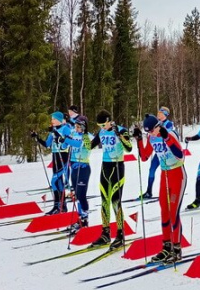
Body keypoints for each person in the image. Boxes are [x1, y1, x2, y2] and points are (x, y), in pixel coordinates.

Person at [133, 114, 187, 263]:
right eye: (147, 132)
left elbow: (180, 155)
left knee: (173, 212)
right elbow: (144, 157)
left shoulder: (170, 134)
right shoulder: (151, 138)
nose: (150, 134)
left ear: (158, 126)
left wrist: (167, 139)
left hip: (177, 175)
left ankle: (177, 249)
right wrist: (139, 140)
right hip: (165, 175)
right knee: (164, 211)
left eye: (152, 131)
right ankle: (166, 247)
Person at [89, 110, 133, 248]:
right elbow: (89, 146)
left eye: (103, 124)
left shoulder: (121, 130)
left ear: (109, 121)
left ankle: (120, 234)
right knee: (104, 202)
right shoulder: (101, 132)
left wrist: (119, 135)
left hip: (117, 167)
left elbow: (129, 148)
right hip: (105, 168)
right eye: (99, 125)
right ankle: (105, 233)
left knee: (115, 202)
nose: (101, 127)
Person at [31, 112, 73, 215]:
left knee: (54, 181)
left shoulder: (65, 129)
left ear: (59, 119)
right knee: (58, 182)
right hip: (55, 156)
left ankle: (57, 206)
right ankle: (62, 206)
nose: (52, 121)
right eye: (52, 119)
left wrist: (58, 137)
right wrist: (37, 138)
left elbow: (69, 142)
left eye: (54, 119)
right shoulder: (53, 130)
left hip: (63, 156)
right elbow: (47, 144)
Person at [63, 115, 93, 232]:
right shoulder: (74, 134)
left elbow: (79, 145)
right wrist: (62, 140)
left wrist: (66, 139)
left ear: (84, 127)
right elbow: (64, 146)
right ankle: (80, 219)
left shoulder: (88, 137)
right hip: (74, 168)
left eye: (78, 126)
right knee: (76, 195)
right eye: (75, 126)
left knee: (81, 195)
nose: (76, 129)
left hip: (84, 167)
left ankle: (85, 220)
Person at [142, 106, 176, 199]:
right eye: (158, 113)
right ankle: (149, 191)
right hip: (158, 152)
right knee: (151, 169)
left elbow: (168, 133)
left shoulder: (169, 124)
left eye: (160, 113)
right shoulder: (155, 123)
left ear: (165, 115)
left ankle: (170, 191)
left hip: (167, 152)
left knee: (167, 171)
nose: (158, 115)